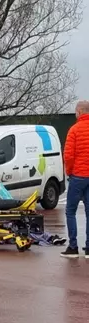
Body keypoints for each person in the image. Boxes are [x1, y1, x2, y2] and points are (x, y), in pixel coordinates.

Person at [0, 178, 66, 247]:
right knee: (26, 229)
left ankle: (50, 238)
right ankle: (51, 238)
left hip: (10, 213)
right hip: (10, 211)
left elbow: (6, 202)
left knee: (21, 231)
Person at [62, 100, 89, 258]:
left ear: (80, 111)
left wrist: (69, 172)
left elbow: (69, 155)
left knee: (70, 211)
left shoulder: (74, 130)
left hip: (78, 176)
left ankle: (73, 247)